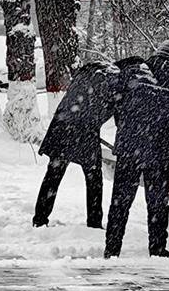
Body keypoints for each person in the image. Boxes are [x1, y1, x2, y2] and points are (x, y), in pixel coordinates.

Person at [105, 41, 169, 258]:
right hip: (157, 151)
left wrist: (127, 131)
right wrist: (160, 136)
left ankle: (112, 249)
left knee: (120, 200)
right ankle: (158, 248)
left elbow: (118, 105)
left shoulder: (138, 71)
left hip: (129, 146)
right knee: (157, 202)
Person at [33, 61, 120, 228]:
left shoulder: (89, 74)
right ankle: (94, 222)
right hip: (83, 131)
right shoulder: (114, 82)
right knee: (94, 177)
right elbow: (118, 116)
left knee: (54, 174)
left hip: (62, 126)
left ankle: (40, 218)